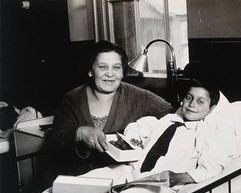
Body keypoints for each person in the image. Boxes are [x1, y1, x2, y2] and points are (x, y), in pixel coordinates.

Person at [38, 61, 241, 193]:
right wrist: (127, 142)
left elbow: (213, 164)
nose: (191, 105)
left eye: (200, 101)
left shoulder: (207, 132)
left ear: (211, 108)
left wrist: (176, 178)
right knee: (69, 190)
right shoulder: (166, 121)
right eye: (188, 98)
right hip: (131, 172)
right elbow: (137, 131)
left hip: (159, 184)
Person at [46, 40, 173, 174]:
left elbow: (172, 115)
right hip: (80, 178)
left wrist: (146, 139)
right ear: (90, 71)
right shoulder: (72, 99)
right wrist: (80, 133)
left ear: (123, 72)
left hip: (122, 179)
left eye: (116, 67)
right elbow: (53, 140)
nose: (110, 74)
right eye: (103, 67)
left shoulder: (139, 97)